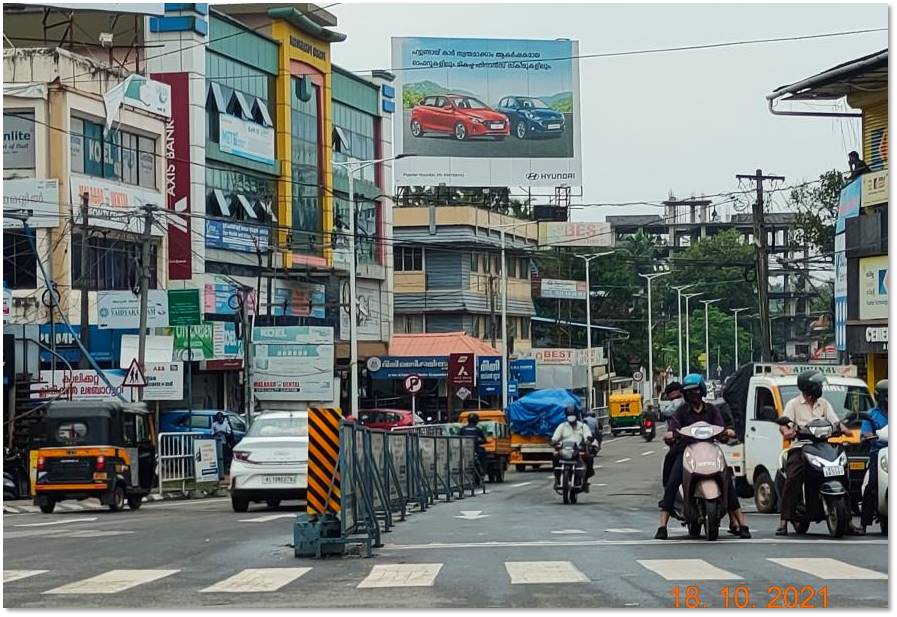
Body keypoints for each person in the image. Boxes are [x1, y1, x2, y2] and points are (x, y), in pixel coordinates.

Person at [655, 373, 751, 539]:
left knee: (727, 480)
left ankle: (740, 522)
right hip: (686, 450)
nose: (693, 395)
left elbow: (722, 428)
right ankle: (662, 525)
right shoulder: (681, 412)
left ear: (702, 391)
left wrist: (726, 432)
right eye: (689, 392)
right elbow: (673, 429)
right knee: (672, 482)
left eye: (696, 391)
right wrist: (671, 435)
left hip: (710, 449)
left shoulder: (712, 410)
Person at [775, 370, 854, 535]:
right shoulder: (793, 404)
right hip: (801, 447)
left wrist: (845, 430)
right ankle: (784, 520)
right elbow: (784, 425)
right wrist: (788, 432)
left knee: (844, 472)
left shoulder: (824, 404)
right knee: (794, 476)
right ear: (808, 388)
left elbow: (835, 422)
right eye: (817, 385)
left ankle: (849, 520)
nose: (820, 388)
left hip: (824, 446)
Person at [858, 379, 888, 535]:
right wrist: (870, 436)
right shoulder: (871, 415)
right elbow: (865, 433)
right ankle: (863, 524)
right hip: (879, 454)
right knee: (872, 485)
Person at [551, 405, 595, 492]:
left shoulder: (582, 426)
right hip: (564, 450)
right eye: (569, 415)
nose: (571, 417)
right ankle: (557, 479)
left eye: (573, 415)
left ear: (576, 415)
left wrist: (588, 440)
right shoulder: (562, 426)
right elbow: (555, 437)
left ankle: (585, 481)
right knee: (555, 457)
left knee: (589, 458)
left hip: (578, 451)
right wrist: (553, 441)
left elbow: (587, 435)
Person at [459, 413, 488, 477]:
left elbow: (457, 437)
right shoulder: (478, 429)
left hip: (463, 449)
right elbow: (484, 440)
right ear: (476, 421)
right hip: (475, 449)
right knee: (484, 455)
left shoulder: (463, 429)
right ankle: (482, 472)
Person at [211, 412, 234, 477]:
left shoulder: (226, 424)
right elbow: (212, 433)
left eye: (221, 418)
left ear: (223, 418)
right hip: (216, 443)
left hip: (224, 443)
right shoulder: (214, 425)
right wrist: (217, 433)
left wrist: (223, 433)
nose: (220, 419)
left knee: (224, 457)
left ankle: (224, 470)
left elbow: (229, 433)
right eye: (219, 418)